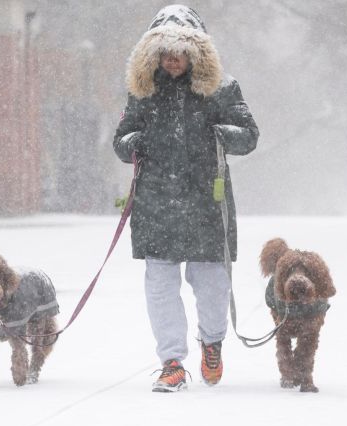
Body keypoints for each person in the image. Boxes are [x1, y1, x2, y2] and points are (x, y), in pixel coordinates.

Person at [113, 5, 259, 392]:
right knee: (159, 285)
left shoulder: (223, 88)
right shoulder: (142, 91)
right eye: (165, 52)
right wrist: (136, 143)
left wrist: (217, 135)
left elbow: (248, 134)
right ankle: (172, 362)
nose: (172, 59)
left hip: (206, 203)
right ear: (153, 54)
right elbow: (121, 140)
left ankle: (212, 343)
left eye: (180, 51)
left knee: (210, 280)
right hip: (155, 203)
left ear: (197, 53)